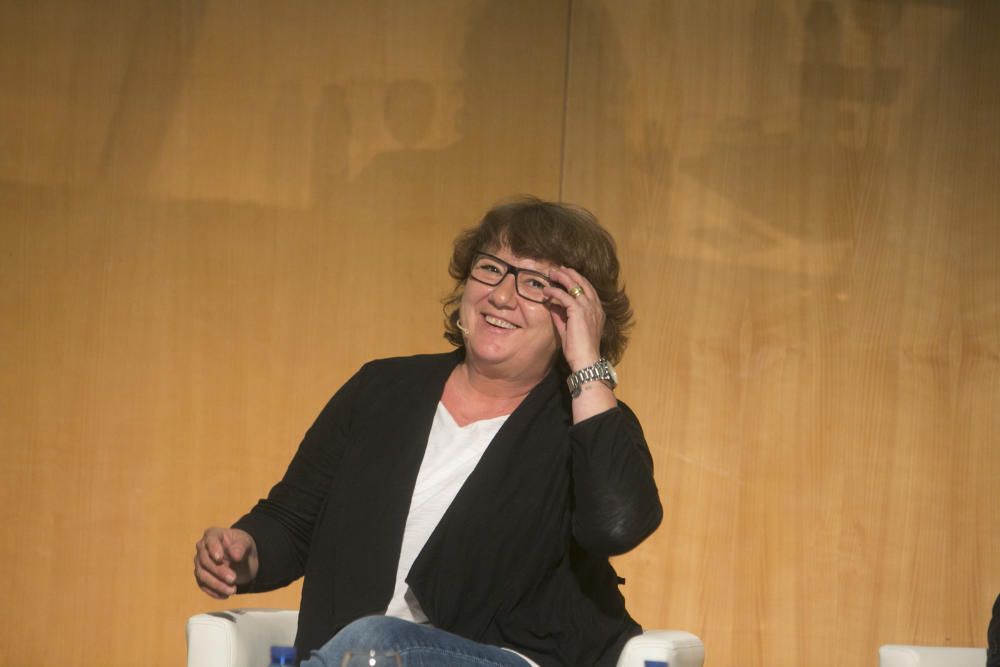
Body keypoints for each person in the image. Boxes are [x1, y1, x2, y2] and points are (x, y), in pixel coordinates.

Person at [193, 196, 663, 666]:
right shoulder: (381, 389)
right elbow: (294, 521)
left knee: (377, 644)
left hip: (507, 658)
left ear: (576, 315)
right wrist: (246, 550)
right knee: (371, 648)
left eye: (535, 283)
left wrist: (587, 363)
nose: (502, 295)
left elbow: (615, 526)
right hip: (358, 655)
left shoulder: (586, 423)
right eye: (491, 269)